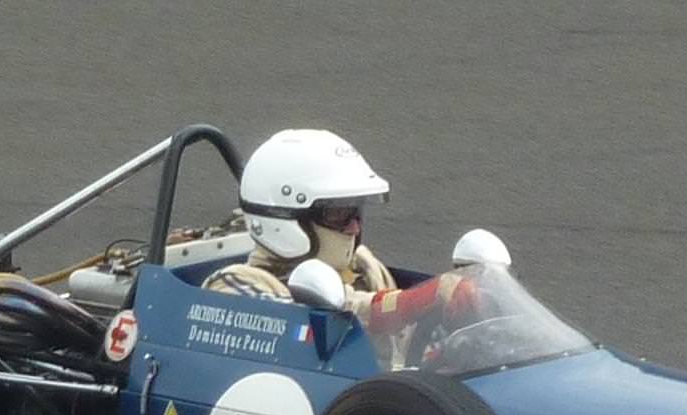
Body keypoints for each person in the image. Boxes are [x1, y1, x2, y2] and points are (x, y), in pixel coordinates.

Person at [204, 129, 482, 365]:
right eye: (338, 214)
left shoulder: (363, 267)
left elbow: (404, 344)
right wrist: (408, 303)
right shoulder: (232, 287)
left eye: (356, 212)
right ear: (287, 218)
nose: (354, 228)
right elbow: (295, 325)